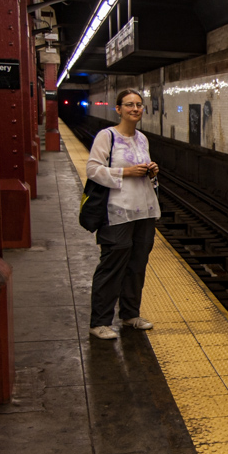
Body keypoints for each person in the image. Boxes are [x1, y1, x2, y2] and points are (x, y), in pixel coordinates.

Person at [85, 89, 161, 340]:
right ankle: (100, 322)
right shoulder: (107, 136)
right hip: (116, 212)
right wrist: (125, 172)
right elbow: (93, 170)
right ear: (118, 109)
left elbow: (145, 172)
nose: (135, 109)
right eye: (129, 105)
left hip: (144, 211)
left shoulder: (142, 139)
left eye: (139, 105)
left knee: (137, 264)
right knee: (112, 264)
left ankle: (130, 315)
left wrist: (151, 171)